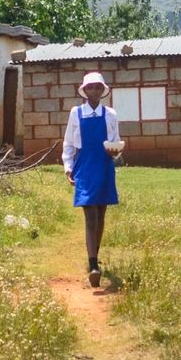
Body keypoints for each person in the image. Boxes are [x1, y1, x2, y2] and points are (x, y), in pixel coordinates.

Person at [62, 72, 121, 287]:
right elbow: (69, 142)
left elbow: (115, 142)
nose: (94, 91)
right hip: (84, 167)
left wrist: (116, 153)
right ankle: (93, 264)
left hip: (104, 166)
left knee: (102, 215)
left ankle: (94, 255)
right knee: (91, 215)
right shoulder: (76, 113)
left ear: (102, 90)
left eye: (98, 87)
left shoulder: (110, 114)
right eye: (90, 88)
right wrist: (68, 168)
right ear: (84, 91)